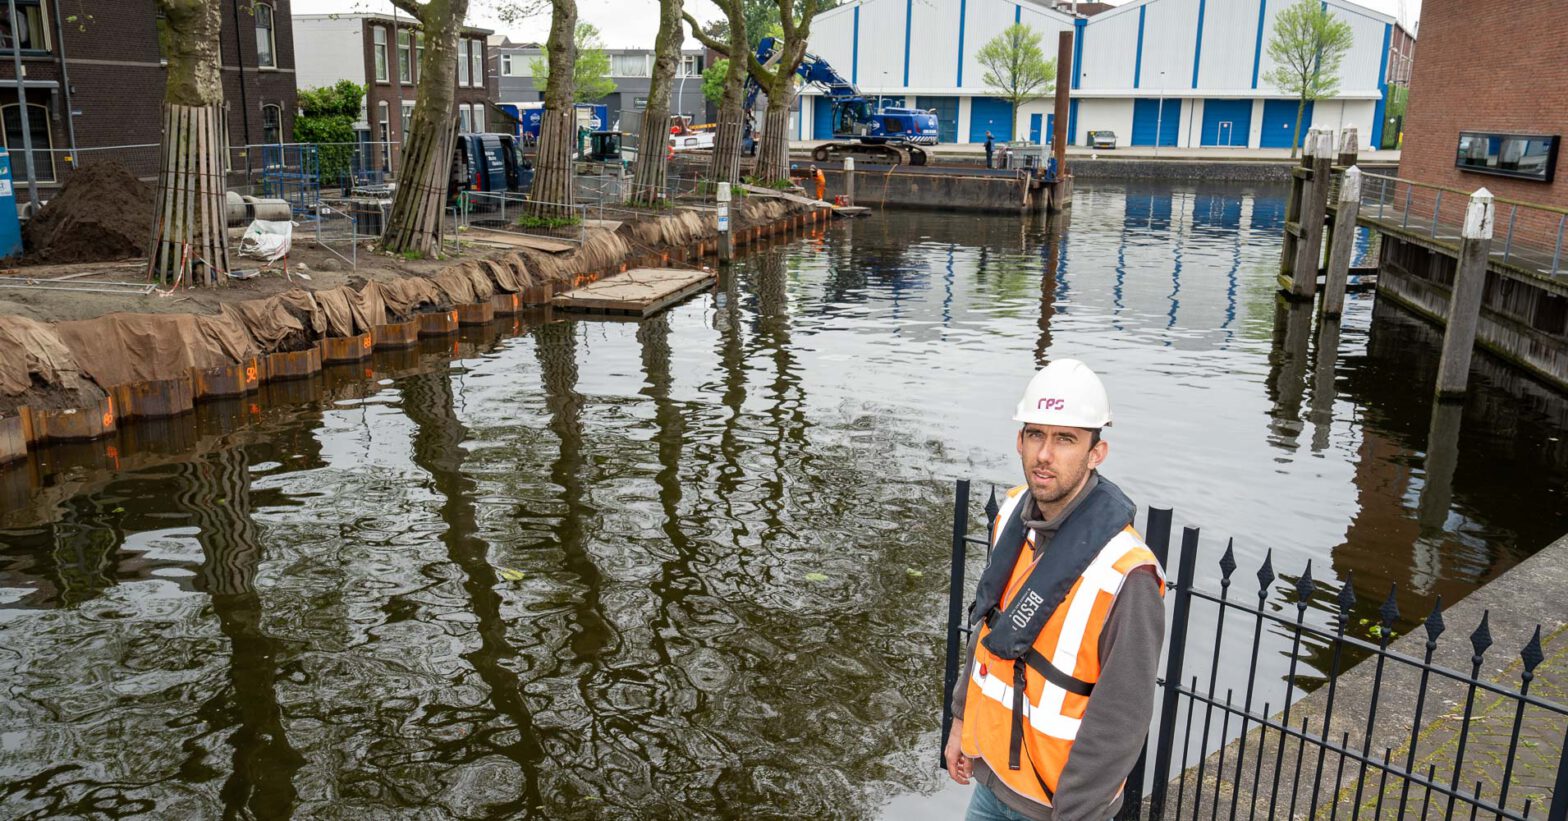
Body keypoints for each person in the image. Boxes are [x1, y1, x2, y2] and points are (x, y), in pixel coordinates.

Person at [945, 359, 1166, 821]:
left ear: (1096, 452)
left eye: (1065, 439)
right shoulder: (1010, 518)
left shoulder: (1128, 573)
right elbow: (988, 631)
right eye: (1036, 435)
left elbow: (1121, 721)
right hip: (992, 783)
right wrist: (962, 721)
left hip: (1058, 806)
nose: (1045, 454)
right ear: (1020, 440)